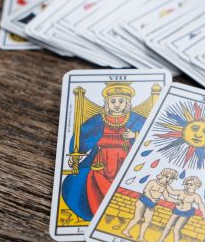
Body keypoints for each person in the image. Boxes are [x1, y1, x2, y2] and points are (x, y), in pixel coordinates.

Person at [62, 83, 145, 221]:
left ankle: (126, 213)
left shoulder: (136, 119)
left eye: (121, 101)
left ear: (127, 103)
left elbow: (151, 136)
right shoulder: (98, 119)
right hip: (101, 161)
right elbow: (82, 137)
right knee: (89, 182)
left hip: (126, 160)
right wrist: (75, 153)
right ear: (107, 103)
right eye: (113, 101)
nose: (117, 105)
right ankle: (100, 215)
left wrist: (135, 135)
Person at [122, 168, 178, 242]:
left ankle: (141, 237)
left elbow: (167, 197)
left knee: (147, 221)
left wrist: (176, 201)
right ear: (162, 175)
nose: (168, 179)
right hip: (143, 200)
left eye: (171, 178)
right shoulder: (153, 182)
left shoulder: (165, 187)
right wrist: (152, 199)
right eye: (167, 177)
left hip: (151, 204)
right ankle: (126, 230)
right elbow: (146, 190)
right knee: (137, 218)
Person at [154, 176, 205, 242]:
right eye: (186, 184)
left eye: (191, 184)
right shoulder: (181, 192)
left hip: (186, 213)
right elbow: (171, 191)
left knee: (176, 229)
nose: (188, 186)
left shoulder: (195, 196)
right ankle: (161, 240)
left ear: (196, 186)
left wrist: (204, 215)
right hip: (177, 210)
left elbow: (200, 204)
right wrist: (166, 183)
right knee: (168, 226)